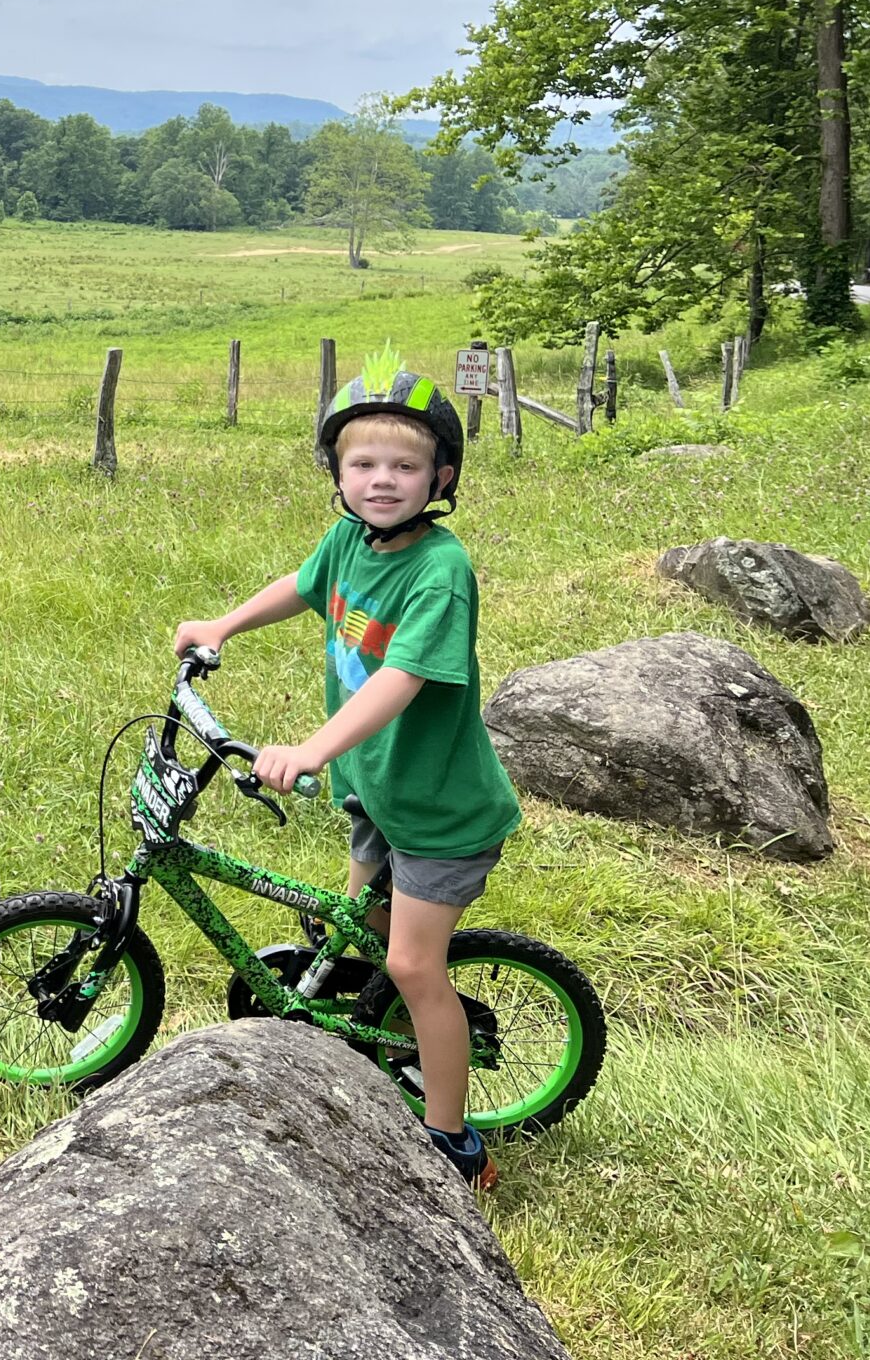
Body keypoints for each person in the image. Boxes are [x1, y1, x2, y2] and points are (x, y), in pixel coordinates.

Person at [172, 349, 519, 1189]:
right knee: (353, 920)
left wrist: (315, 747)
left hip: (439, 808)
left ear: (441, 477)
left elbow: (402, 678)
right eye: (363, 463)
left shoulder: (440, 569)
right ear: (336, 472)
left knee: (411, 963)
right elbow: (304, 582)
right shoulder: (349, 539)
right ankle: (365, 1023)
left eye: (406, 465)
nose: (383, 480)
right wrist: (225, 621)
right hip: (378, 787)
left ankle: (452, 1143)